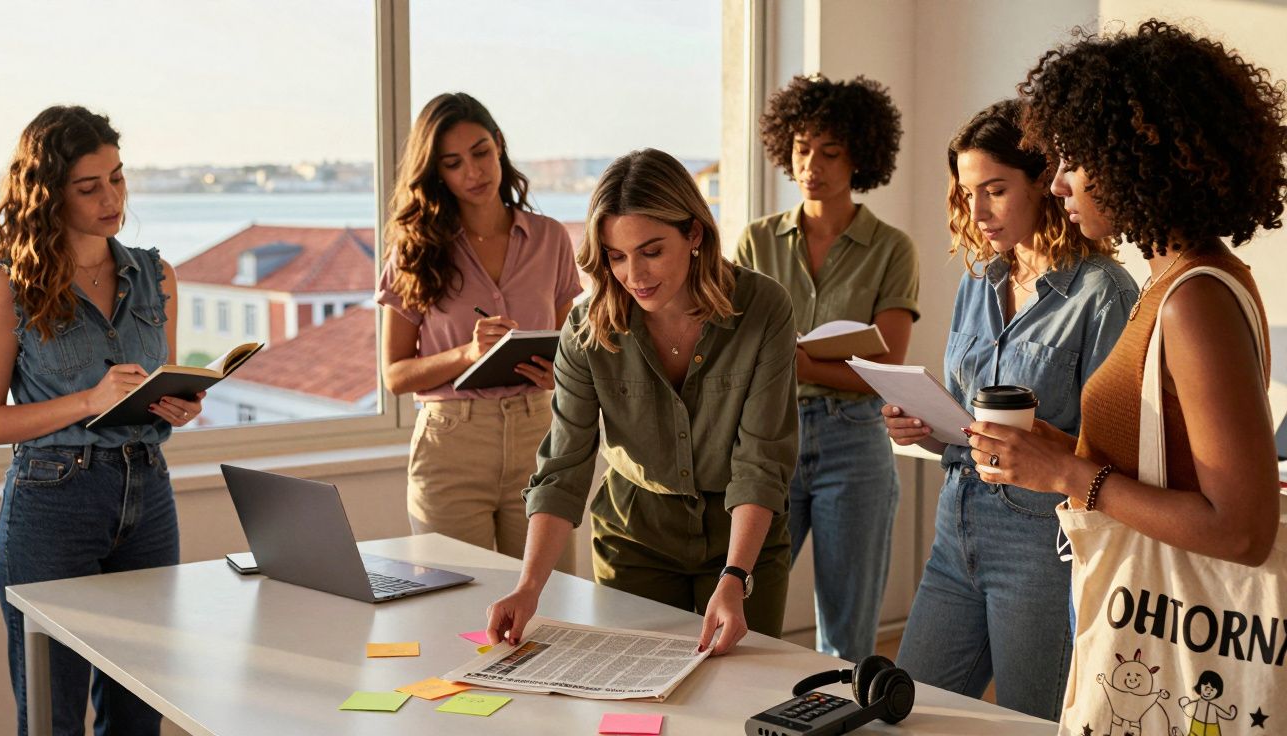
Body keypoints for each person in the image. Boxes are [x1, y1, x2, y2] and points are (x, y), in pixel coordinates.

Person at [972, 20, 1282, 564]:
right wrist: (1062, 452)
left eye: (1073, 161)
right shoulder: (1170, 281)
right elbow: (1168, 471)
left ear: (1136, 156)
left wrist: (1067, 471)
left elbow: (1242, 532)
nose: (1059, 184)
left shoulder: (1194, 300)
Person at [485, 148, 798, 655]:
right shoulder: (588, 329)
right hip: (634, 543)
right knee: (637, 695)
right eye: (616, 256)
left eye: (651, 251)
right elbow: (563, 466)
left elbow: (761, 460)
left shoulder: (763, 308)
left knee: (744, 694)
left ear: (694, 234)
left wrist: (735, 575)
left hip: (743, 544)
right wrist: (529, 587)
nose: (635, 274)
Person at [883, 100, 1137, 719]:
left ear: (1043, 184)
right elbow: (963, 418)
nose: (977, 212)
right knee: (907, 708)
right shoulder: (979, 283)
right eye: (968, 193)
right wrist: (924, 428)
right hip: (956, 527)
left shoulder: (1104, 294)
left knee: (1029, 721)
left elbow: (1119, 459)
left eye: (995, 190)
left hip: (1042, 545)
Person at [0, 106, 201, 735]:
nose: (112, 198)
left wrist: (180, 405)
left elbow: (157, 385)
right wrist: (86, 401)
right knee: (53, 718)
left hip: (149, 496)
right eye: (89, 186)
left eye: (118, 178)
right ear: (48, 194)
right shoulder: (9, 286)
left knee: (139, 714)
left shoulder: (157, 275)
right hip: (52, 505)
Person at [735, 73, 918, 663]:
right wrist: (814, 362)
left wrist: (794, 358)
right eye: (802, 148)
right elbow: (735, 349)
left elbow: (887, 366)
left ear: (860, 156)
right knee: (744, 604)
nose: (812, 164)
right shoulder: (755, 243)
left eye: (830, 151)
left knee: (847, 633)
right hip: (768, 437)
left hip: (855, 441)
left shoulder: (891, 248)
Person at [376, 92, 582, 563]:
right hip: (451, 445)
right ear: (436, 173)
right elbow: (394, 376)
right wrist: (467, 355)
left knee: (549, 601)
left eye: (481, 153)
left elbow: (570, 347)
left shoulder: (549, 238)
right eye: (453, 162)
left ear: (500, 146)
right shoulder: (414, 252)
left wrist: (561, 374)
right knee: (451, 603)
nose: (473, 172)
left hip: (538, 434)